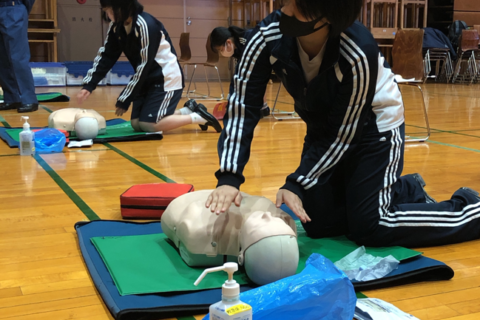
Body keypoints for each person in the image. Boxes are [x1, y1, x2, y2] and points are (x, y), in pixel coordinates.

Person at [206, 0, 480, 248]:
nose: (284, 10)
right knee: (318, 225)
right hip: (324, 127)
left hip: (375, 127)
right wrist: (229, 177)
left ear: (326, 18)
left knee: (371, 227)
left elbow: (344, 136)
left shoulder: (358, 52)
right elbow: (243, 107)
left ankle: (469, 208)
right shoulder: (266, 37)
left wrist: (297, 183)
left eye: (296, 6)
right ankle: (404, 189)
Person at [77, 0, 221, 133]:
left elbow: (144, 65)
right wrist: (89, 84)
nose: (107, 15)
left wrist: (125, 97)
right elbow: (107, 56)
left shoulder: (145, 25)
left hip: (166, 79)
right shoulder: (116, 27)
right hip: (146, 80)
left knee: (148, 124)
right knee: (136, 123)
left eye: (109, 10)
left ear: (122, 7)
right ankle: (186, 111)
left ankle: (198, 117)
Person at [162, 190, 298, 285]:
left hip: (183, 204)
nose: (267, 215)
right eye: (275, 222)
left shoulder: (200, 230)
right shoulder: (284, 219)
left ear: (241, 256)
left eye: (261, 226)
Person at [210, 26, 270, 118]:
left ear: (228, 42)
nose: (221, 53)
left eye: (221, 50)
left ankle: (262, 107)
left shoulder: (246, 42)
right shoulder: (236, 48)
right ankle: (260, 107)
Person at [0, 0, 38, 113]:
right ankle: (12, 98)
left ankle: (29, 99)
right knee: (2, 58)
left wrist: (21, 9)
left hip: (13, 7)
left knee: (18, 57)